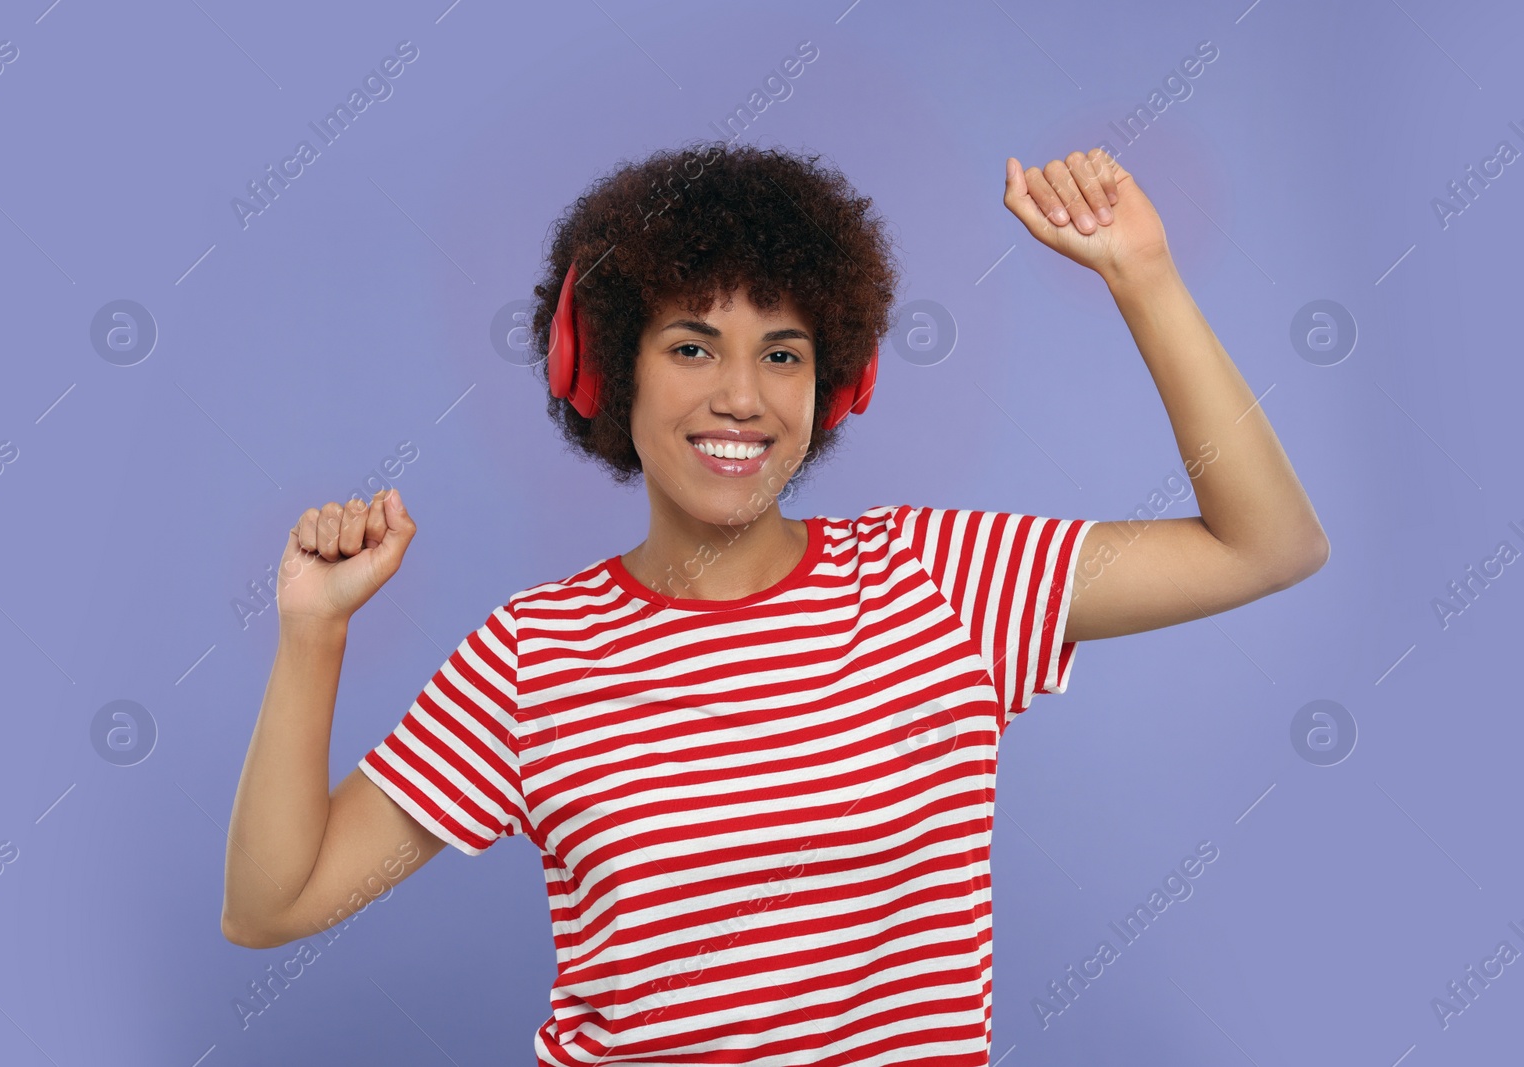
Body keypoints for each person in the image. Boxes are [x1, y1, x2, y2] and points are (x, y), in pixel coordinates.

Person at [222, 141, 1328, 1064]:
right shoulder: (533, 655)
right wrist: (312, 633)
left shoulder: (942, 582)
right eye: (692, 345)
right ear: (606, 371)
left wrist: (1143, 276)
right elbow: (273, 906)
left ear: (835, 382)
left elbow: (1265, 544)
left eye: (783, 353)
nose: (741, 395)